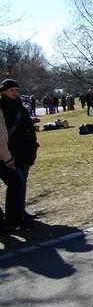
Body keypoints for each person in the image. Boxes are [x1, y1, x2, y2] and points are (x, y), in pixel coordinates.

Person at [0, 79, 39, 229]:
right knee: (17, 182)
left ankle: (20, 211)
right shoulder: (2, 108)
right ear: (4, 91)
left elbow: (26, 123)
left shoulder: (20, 107)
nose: (15, 93)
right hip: (10, 151)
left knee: (23, 182)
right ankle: (14, 217)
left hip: (24, 149)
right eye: (11, 90)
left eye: (16, 90)